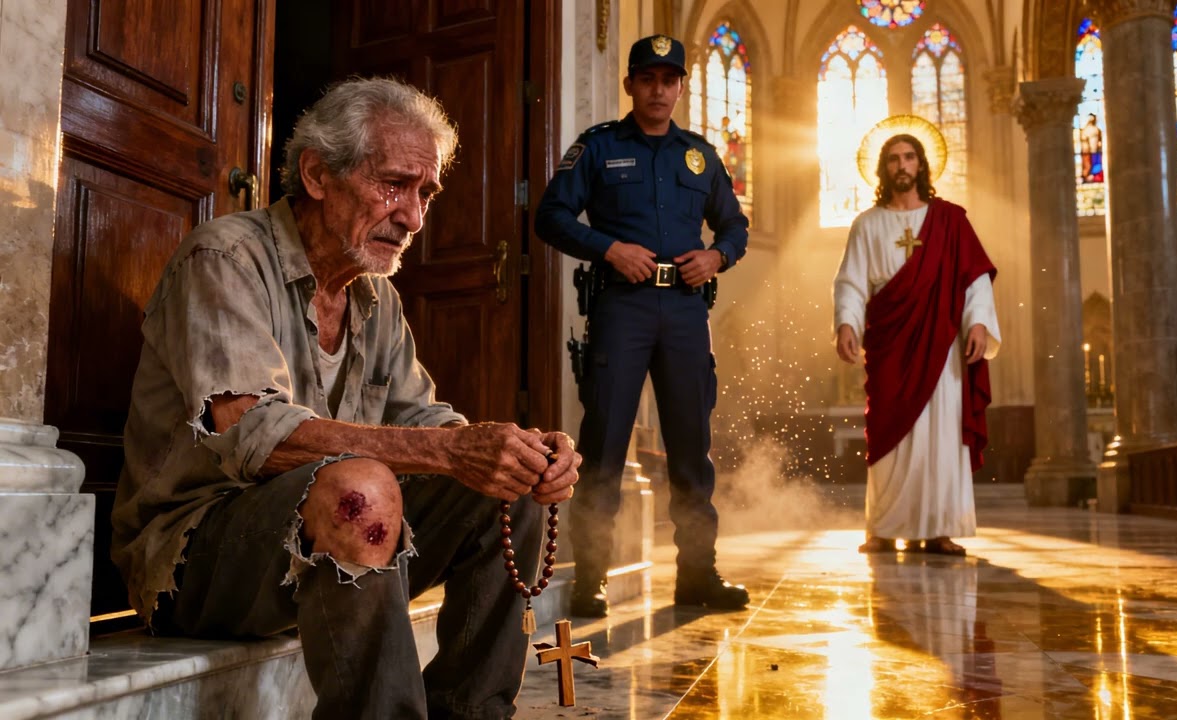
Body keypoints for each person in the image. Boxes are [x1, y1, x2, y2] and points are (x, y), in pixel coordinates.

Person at [112, 77, 582, 720]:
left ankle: (472, 713)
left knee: (510, 486)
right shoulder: (224, 258)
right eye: (394, 185)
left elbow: (420, 418)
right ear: (316, 175)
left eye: (425, 193)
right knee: (360, 488)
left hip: (326, 537)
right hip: (195, 560)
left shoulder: (374, 294)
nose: (414, 217)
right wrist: (450, 450)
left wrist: (512, 451)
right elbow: (254, 434)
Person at [534, 35, 750, 617]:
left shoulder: (700, 156)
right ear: (629, 84)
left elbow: (735, 226)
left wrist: (718, 256)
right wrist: (608, 249)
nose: (659, 90)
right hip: (621, 308)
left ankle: (698, 575)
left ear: (681, 87)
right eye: (648, 79)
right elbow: (550, 216)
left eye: (669, 80)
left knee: (691, 448)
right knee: (604, 444)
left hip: (685, 311)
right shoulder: (599, 146)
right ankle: (591, 578)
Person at [832, 133, 1000, 557]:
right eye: (893, 159)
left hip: (941, 344)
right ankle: (884, 528)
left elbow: (975, 278)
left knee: (942, 435)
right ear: (883, 169)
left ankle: (940, 529)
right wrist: (846, 322)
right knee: (887, 431)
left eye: (909, 157)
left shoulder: (950, 221)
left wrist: (979, 322)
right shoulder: (867, 224)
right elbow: (851, 281)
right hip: (890, 342)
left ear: (921, 165)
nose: (901, 165)